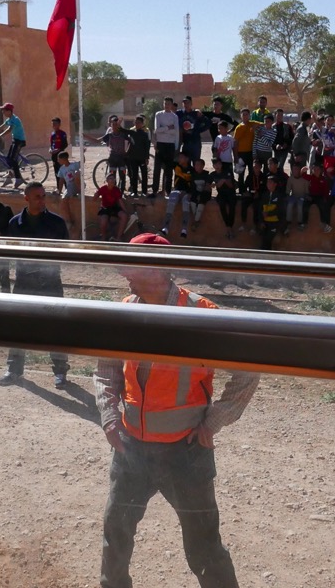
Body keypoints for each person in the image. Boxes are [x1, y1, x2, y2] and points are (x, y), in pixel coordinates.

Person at [94, 232, 259, 588]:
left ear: (157, 270)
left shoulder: (201, 314)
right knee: (115, 536)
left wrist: (214, 421)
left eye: (131, 266)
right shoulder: (124, 311)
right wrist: (108, 414)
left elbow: (249, 368)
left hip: (186, 453)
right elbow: (106, 367)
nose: (124, 273)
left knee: (204, 548)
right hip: (131, 448)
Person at [0, 182, 71, 387]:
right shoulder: (15, 224)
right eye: (37, 197)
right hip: (24, 281)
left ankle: (60, 371)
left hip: (50, 282)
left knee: (55, 327)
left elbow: (66, 252)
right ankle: (14, 369)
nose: (41, 200)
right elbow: (9, 252)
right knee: (18, 326)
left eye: (43, 196)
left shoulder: (56, 223)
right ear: (27, 199)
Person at [0, 102, 27, 187]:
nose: (3, 112)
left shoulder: (15, 119)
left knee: (13, 160)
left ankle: (18, 179)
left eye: (4, 110)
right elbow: (1, 126)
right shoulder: (9, 119)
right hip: (15, 140)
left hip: (20, 141)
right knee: (8, 159)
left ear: (9, 111)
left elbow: (9, 129)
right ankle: (9, 177)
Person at [152, 97, 180, 195]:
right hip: (160, 144)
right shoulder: (158, 115)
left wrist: (163, 129)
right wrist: (168, 127)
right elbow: (157, 130)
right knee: (157, 168)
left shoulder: (174, 117)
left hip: (170, 145)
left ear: (172, 105)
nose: (167, 105)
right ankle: (155, 189)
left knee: (168, 170)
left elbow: (175, 132)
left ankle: (168, 190)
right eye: (165, 103)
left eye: (168, 103)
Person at [125, 115, 151, 196]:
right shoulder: (132, 132)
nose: (137, 124)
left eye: (139, 123)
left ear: (142, 124)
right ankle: (134, 191)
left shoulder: (145, 134)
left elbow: (147, 147)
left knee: (144, 175)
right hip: (133, 158)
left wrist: (147, 157)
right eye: (136, 123)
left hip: (142, 158)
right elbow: (122, 131)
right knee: (134, 175)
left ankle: (144, 191)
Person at [96, 175, 126, 242]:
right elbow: (96, 195)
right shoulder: (103, 188)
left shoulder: (116, 189)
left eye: (113, 179)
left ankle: (118, 237)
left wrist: (125, 210)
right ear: (107, 181)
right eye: (110, 179)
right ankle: (103, 237)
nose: (112, 180)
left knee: (124, 216)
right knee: (104, 220)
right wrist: (96, 195)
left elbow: (120, 201)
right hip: (105, 208)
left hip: (114, 207)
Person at [49, 117, 70, 192]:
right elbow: (52, 144)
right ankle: (59, 188)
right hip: (54, 157)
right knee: (57, 173)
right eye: (53, 124)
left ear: (59, 124)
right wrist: (50, 149)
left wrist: (58, 150)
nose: (54, 125)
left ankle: (67, 188)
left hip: (61, 156)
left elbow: (65, 144)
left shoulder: (62, 133)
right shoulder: (52, 134)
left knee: (64, 172)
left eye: (55, 123)